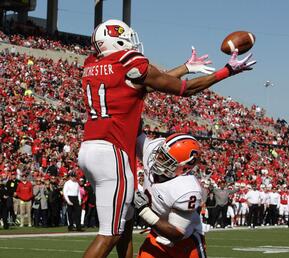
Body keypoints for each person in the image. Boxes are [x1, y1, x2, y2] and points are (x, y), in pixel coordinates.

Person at [78, 19, 256, 258]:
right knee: (111, 233)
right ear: (119, 40)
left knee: (127, 225)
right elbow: (185, 89)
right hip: (113, 151)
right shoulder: (129, 62)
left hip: (90, 147)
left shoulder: (93, 63)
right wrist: (227, 71)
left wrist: (184, 67)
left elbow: (145, 85)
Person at [134, 133, 206, 258]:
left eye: (165, 159)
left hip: (185, 244)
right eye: (160, 153)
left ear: (183, 168)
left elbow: (176, 234)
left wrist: (144, 211)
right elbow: (136, 132)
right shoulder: (152, 150)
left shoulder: (186, 189)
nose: (157, 159)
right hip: (156, 235)